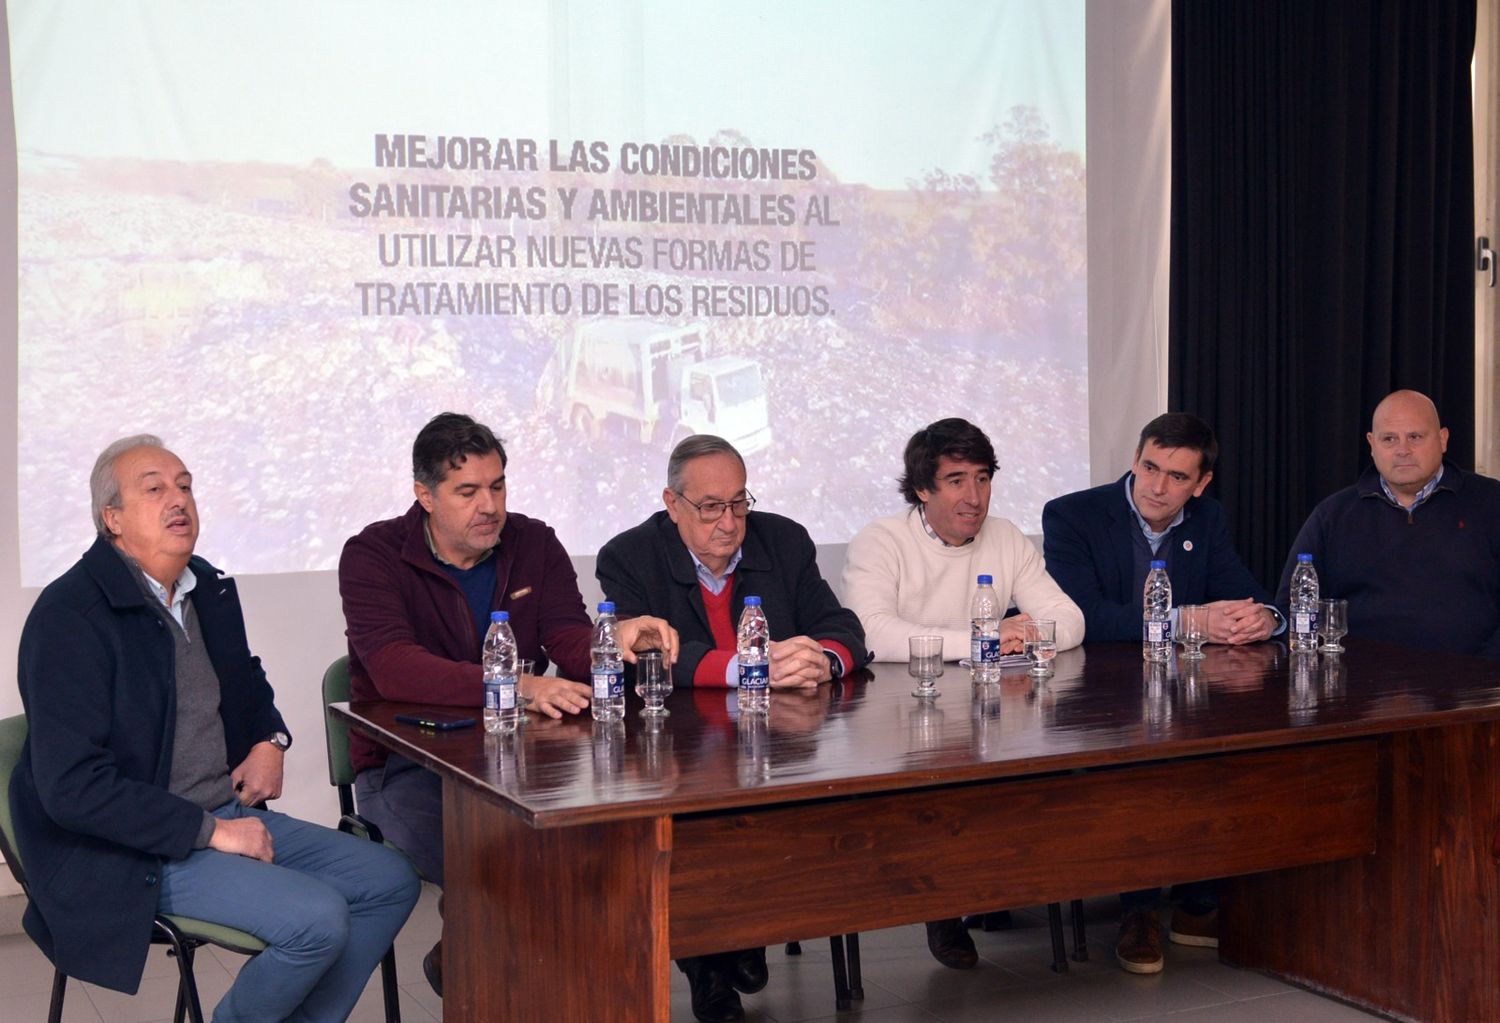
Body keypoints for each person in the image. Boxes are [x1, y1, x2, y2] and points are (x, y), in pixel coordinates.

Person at [9, 435, 420, 1021]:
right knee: (317, 919)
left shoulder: (207, 588)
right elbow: (72, 788)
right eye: (154, 489)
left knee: (390, 880)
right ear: (113, 519)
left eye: (184, 485)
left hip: (222, 814)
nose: (178, 499)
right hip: (130, 850)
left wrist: (269, 739)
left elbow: (247, 685)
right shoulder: (69, 616)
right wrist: (212, 833)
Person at [338, 412, 677, 996]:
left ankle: (523, 979)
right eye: (468, 491)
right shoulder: (372, 555)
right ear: (424, 494)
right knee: (498, 870)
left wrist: (613, 638)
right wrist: (519, 686)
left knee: (601, 850)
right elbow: (394, 667)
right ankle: (484, 974)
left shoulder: (533, 541)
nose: (489, 505)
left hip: (523, 756)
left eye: (497, 486)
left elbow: (567, 639)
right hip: (407, 765)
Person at [596, 434, 869, 1023]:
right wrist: (752, 668)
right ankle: (709, 968)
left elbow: (842, 626)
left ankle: (747, 933)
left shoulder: (785, 540)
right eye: (711, 506)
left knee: (793, 809)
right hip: (678, 745)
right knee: (692, 821)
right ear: (672, 504)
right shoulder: (629, 557)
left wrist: (823, 658)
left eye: (739, 503)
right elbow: (644, 654)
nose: (729, 522)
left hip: (778, 742)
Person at [841, 417, 1083, 973]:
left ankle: (987, 885)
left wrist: (1033, 633)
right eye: (955, 481)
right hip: (901, 722)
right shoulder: (881, 540)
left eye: (982, 477)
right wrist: (985, 640)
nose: (973, 497)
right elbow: (871, 632)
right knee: (938, 788)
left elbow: (1069, 618)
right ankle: (944, 906)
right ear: (922, 489)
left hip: (990, 716)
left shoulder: (1006, 537)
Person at [1041, 412, 1279, 974]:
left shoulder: (1207, 519)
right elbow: (1083, 618)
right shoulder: (1073, 515)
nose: (1157, 486)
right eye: (1150, 467)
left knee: (1232, 746)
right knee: (1143, 766)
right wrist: (1188, 621)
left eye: (1176, 476)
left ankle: (1198, 903)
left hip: (1181, 692)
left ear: (1200, 485)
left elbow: (1244, 591)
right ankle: (1140, 908)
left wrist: (1264, 619)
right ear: (1135, 458)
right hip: (1092, 696)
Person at [1276, 389, 1500, 657]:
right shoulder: (1332, 515)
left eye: (1415, 437)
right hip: (1359, 687)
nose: (1403, 450)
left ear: (1443, 439)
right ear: (1372, 445)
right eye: (1389, 439)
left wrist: (1483, 675)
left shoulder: (1491, 503)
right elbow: (1292, 607)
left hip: (1474, 687)